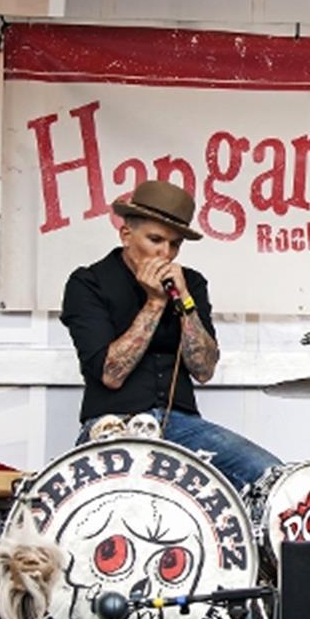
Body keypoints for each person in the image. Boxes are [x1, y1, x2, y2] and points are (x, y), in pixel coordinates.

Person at [60, 179, 279, 491]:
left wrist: (183, 301)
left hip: (182, 425)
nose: (166, 253)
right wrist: (155, 302)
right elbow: (111, 373)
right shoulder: (88, 282)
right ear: (126, 234)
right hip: (112, 423)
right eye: (155, 240)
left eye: (175, 244)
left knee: (272, 478)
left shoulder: (191, 284)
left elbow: (204, 369)